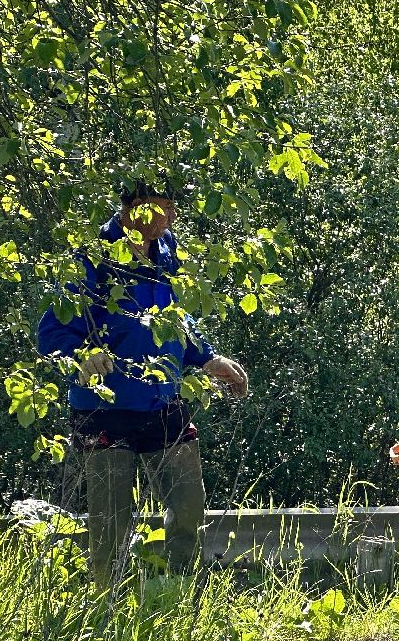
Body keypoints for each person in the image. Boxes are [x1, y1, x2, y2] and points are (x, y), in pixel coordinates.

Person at [38, 180, 249, 588]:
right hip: (105, 409)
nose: (171, 217)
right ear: (135, 206)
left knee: (188, 507)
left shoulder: (166, 249)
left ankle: (180, 594)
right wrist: (81, 356)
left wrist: (207, 358)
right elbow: (52, 331)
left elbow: (176, 317)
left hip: (163, 401)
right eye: (162, 208)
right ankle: (107, 605)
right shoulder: (94, 255)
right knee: (112, 521)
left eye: (172, 208)